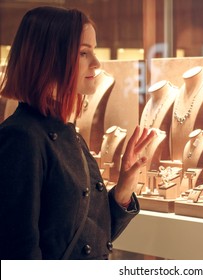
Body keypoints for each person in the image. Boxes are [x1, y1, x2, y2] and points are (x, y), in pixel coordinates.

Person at [0, 6, 155, 260]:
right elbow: (19, 254)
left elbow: (90, 237)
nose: (96, 63)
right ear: (48, 59)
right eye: (84, 53)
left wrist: (124, 187)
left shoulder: (67, 132)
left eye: (93, 51)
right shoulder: (21, 138)